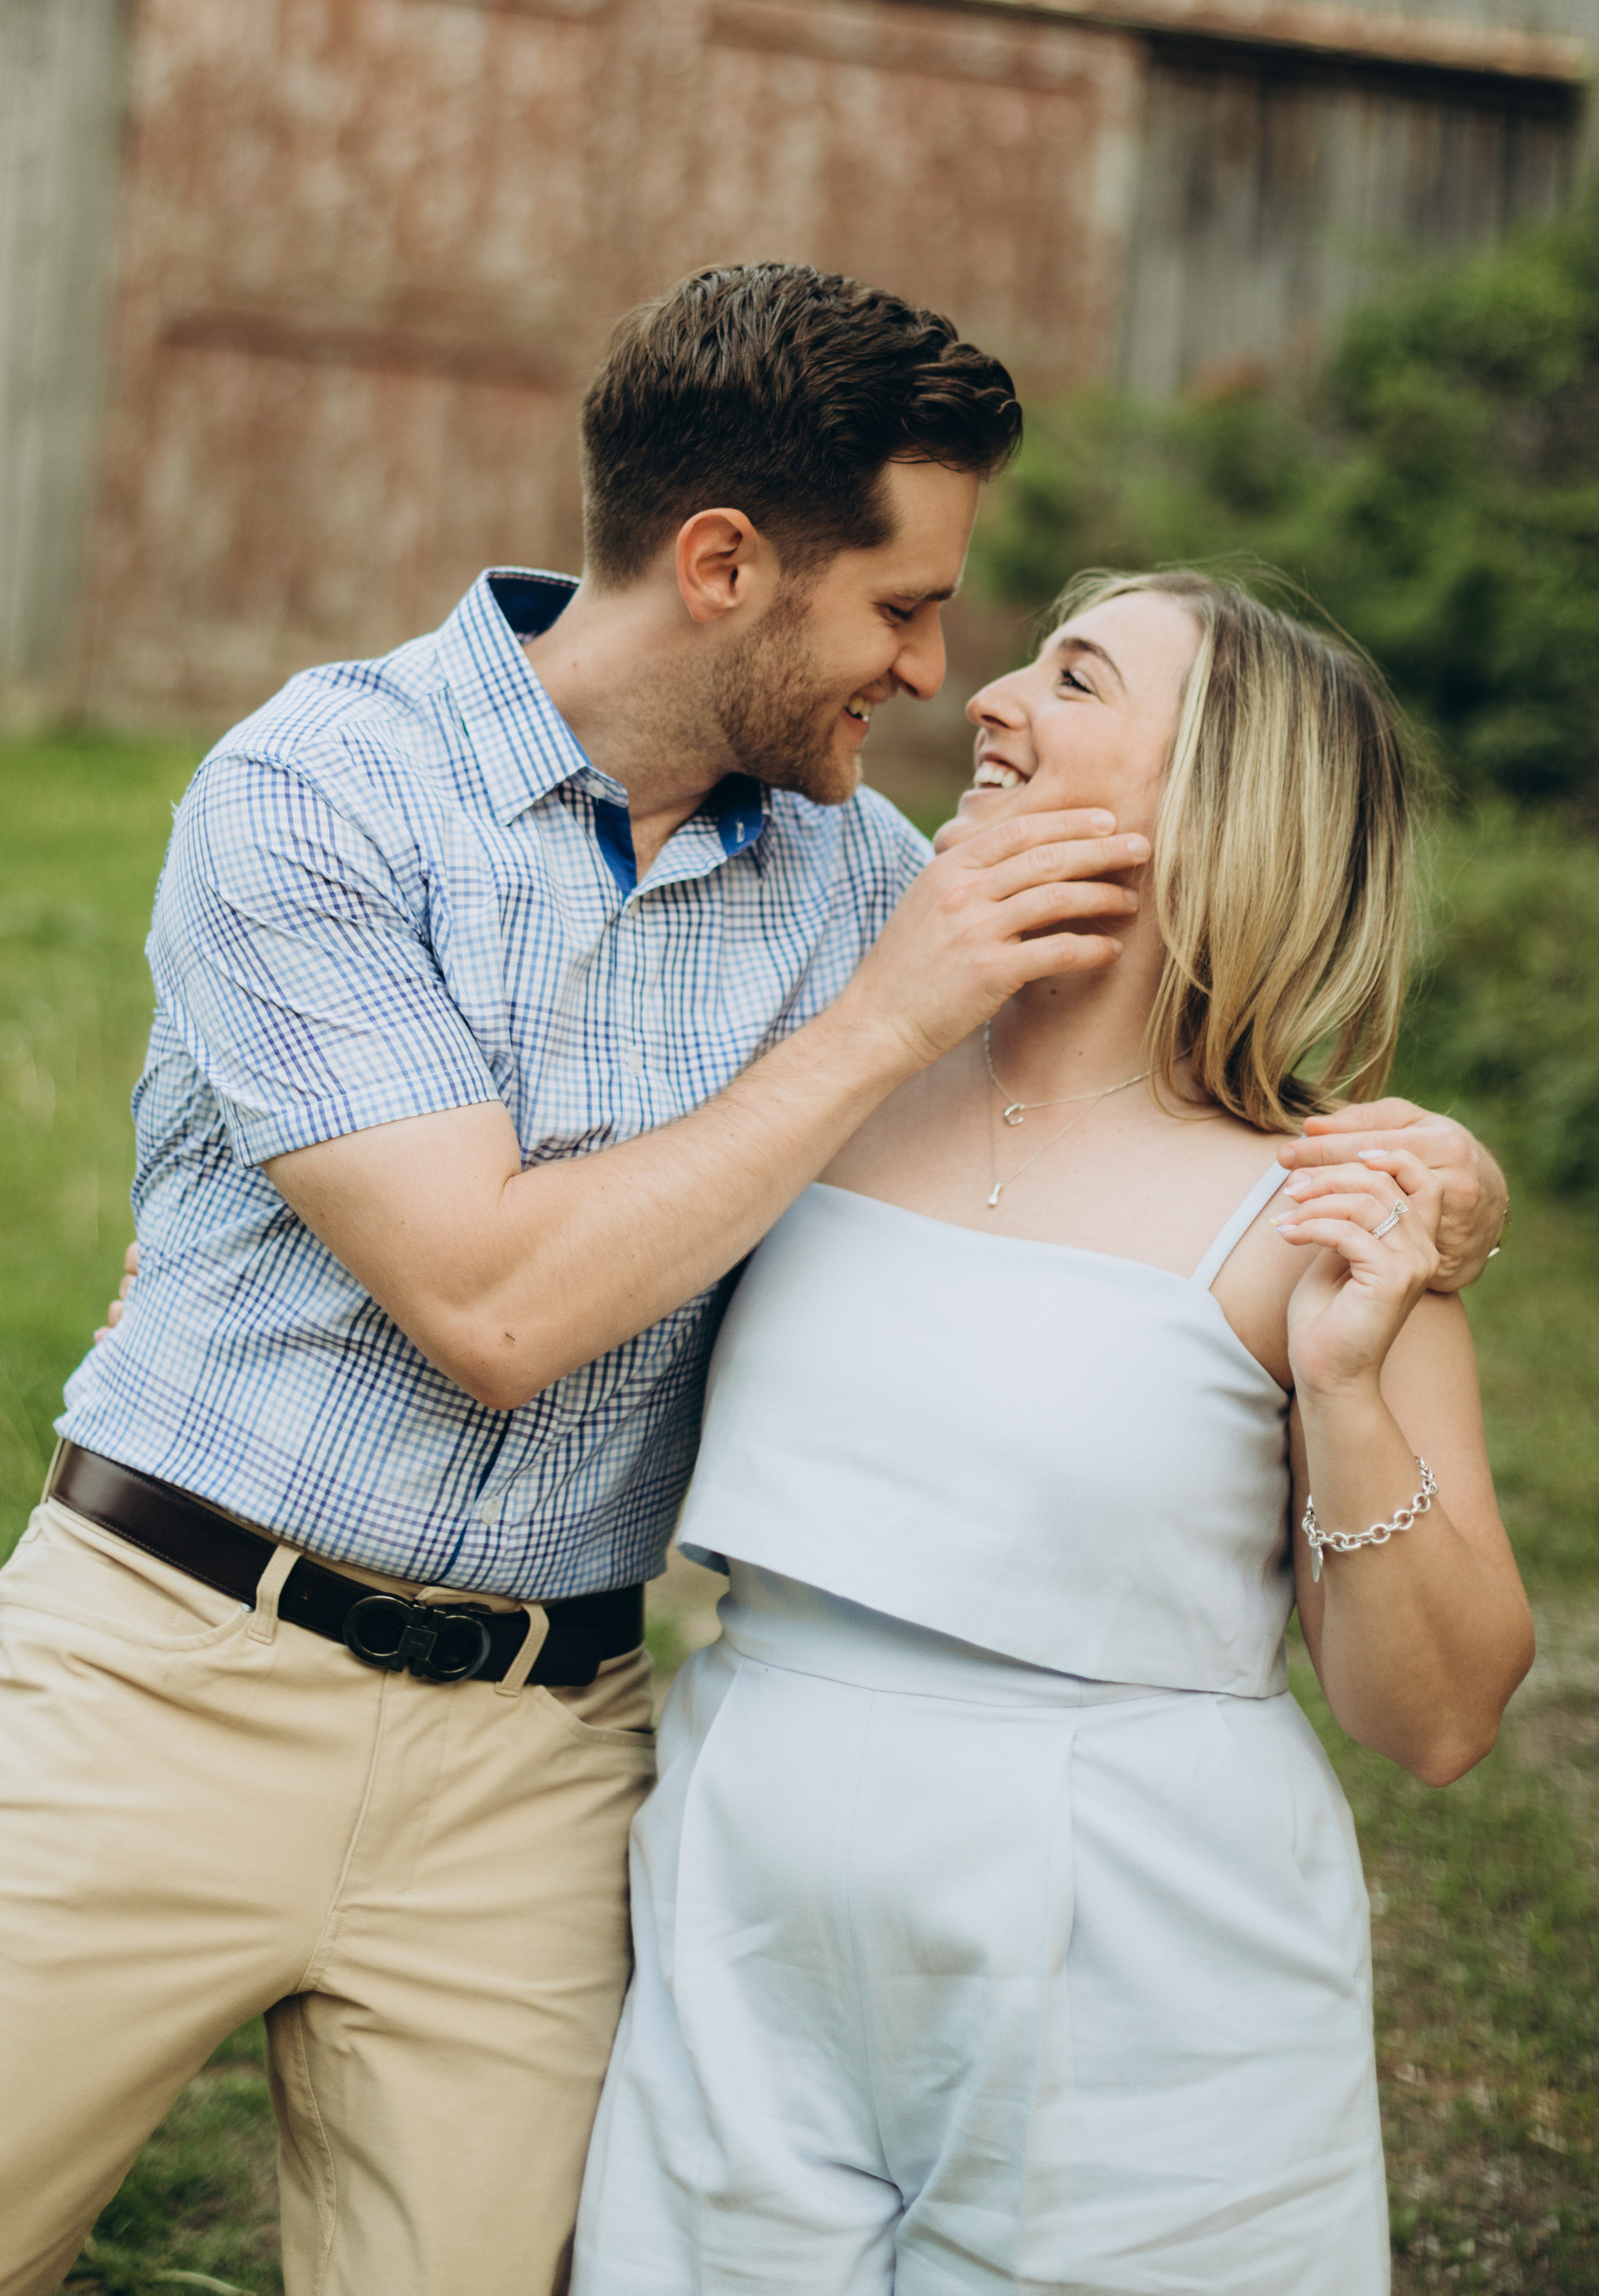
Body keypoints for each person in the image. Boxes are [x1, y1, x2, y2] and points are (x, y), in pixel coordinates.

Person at [0, 276, 1507, 2296]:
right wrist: (866, 1025)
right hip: (168, 1667)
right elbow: (487, 1312)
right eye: (904, 610)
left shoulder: (858, 875)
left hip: (547, 1745)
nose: (939, 675)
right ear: (726, 566)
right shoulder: (320, 789)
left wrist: (1433, 1178)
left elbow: (1131, 1078)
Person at [572, 569, 1535, 2296]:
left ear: (1212, 805)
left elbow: (1436, 1719)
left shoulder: (1319, 1213)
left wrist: (1339, 1384)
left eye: (1074, 678)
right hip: (741, 1889)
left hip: (1132, 1965)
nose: (988, 697)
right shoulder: (818, 1078)